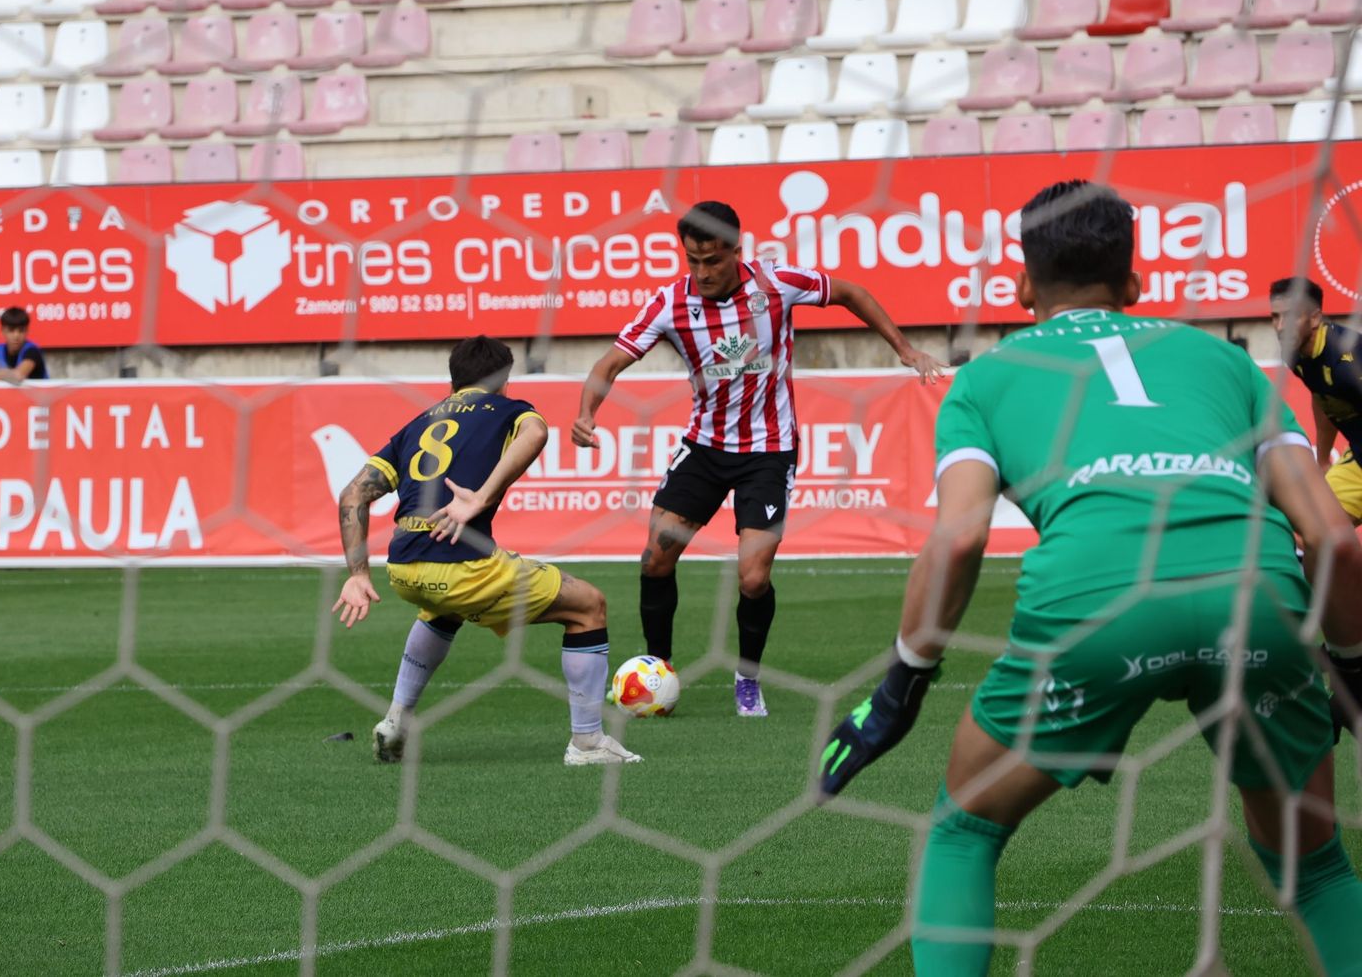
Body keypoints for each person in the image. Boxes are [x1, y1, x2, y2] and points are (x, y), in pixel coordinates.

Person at [817, 181, 1362, 976]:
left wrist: (902, 685)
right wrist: (1349, 667)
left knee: (964, 832)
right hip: (1257, 599)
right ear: (1135, 285)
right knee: (1315, 870)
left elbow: (961, 537)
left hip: (1098, 607)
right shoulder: (1227, 362)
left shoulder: (982, 381)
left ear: (1021, 286)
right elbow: (1335, 543)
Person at [573, 201, 944, 717]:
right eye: (692, 260)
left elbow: (852, 292)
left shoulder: (776, 283)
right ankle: (658, 670)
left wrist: (904, 349)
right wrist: (587, 412)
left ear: (736, 251)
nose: (702, 272)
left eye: (713, 260)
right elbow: (610, 363)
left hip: (769, 451)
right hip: (704, 447)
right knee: (656, 559)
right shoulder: (669, 304)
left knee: (752, 578)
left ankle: (747, 678)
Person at [332, 335, 640, 767]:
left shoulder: (418, 423)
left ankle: (396, 722)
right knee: (589, 606)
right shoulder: (510, 409)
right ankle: (587, 743)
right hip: (464, 568)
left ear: (453, 380)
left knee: (443, 608)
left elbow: (352, 496)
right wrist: (479, 497)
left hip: (402, 568)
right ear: (503, 380)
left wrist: (358, 575)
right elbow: (537, 433)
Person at [1269, 277, 1362, 526]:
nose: (1280, 326)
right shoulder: (1295, 353)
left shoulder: (1348, 364)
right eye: (1275, 317)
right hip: (1358, 456)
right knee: (1316, 529)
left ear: (1315, 318)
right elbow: (1322, 399)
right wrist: (1321, 461)